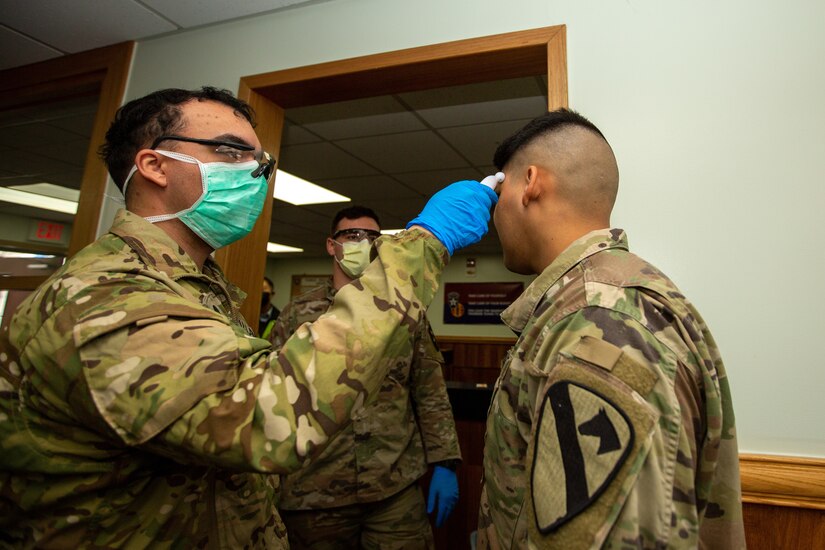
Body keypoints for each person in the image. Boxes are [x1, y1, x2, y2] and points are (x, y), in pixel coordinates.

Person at [0, 86, 497, 548]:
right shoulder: (104, 295)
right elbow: (268, 414)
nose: (256, 171)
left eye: (260, 159)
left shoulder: (195, 289)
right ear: (154, 165)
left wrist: (443, 460)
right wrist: (424, 244)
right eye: (232, 152)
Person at [476, 109, 745, 549]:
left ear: (530, 182)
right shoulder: (594, 302)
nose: (493, 212)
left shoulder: (601, 321)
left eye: (498, 190)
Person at [271, 205, 461, 549]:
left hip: (393, 485)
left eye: (373, 237)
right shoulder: (297, 315)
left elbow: (429, 391)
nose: (364, 243)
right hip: (314, 492)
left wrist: (445, 461)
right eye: (352, 235)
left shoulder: (405, 312)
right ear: (332, 245)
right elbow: (276, 395)